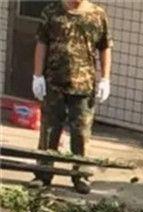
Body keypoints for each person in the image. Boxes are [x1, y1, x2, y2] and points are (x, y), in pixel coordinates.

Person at [30, 0, 112, 194]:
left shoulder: (97, 15)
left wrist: (105, 78)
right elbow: (42, 43)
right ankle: (43, 174)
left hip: (83, 85)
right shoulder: (51, 12)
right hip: (54, 83)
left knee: (81, 134)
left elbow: (105, 47)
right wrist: (37, 75)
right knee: (49, 131)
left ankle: (80, 176)